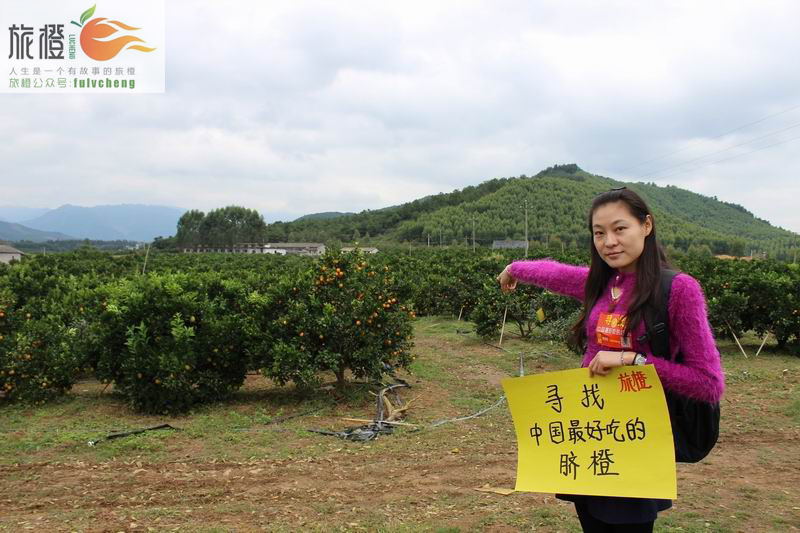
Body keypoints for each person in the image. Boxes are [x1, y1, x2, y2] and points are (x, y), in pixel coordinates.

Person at [496, 187, 725, 533]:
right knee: (592, 522)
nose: (609, 242)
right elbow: (554, 274)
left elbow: (709, 385)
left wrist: (634, 361)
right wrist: (514, 268)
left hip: (637, 439)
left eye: (620, 229)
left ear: (646, 226)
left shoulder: (678, 290)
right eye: (599, 233)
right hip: (593, 432)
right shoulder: (602, 284)